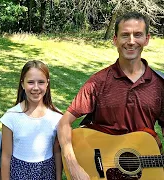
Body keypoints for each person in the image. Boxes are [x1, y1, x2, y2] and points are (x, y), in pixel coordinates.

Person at [58, 12, 164, 180]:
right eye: (125, 35)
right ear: (115, 40)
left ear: (147, 39)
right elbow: (64, 123)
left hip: (143, 171)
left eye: (137, 35)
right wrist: (73, 164)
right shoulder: (98, 82)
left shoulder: (160, 85)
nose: (131, 41)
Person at [1, 60, 63, 180]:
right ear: (23, 84)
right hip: (18, 174)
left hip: (46, 173)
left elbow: (57, 153)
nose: (36, 87)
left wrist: (58, 177)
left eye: (41, 82)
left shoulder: (56, 117)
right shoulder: (11, 117)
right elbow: (6, 156)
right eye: (30, 82)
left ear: (47, 84)